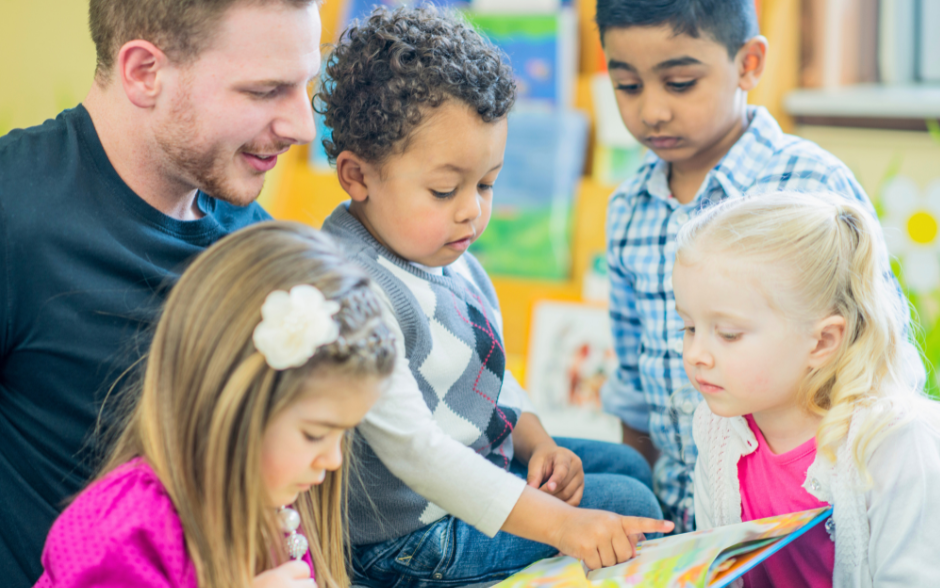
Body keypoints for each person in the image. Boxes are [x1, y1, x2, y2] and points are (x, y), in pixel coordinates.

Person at [317, 7, 673, 587]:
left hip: (470, 472)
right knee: (630, 503)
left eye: (486, 184)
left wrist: (538, 443)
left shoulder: (442, 251)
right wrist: (561, 526)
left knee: (627, 468)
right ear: (357, 176)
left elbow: (489, 371)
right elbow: (420, 456)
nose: (472, 211)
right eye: (443, 189)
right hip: (406, 536)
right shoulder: (352, 291)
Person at [0, 0, 322, 584]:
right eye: (265, 90)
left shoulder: (256, 249)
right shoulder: (12, 213)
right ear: (145, 72)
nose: (303, 127)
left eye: (305, 87)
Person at [593, 0, 922, 531]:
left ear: (748, 64)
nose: (652, 110)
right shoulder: (627, 208)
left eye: (679, 83)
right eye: (628, 86)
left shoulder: (807, 182)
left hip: (810, 509)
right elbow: (634, 378)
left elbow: (870, 356)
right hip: (689, 509)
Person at [32, 222, 396, 588]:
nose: (334, 460)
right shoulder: (122, 532)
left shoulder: (277, 501)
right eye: (315, 434)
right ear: (234, 401)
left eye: (344, 433)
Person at [674, 193, 940, 587]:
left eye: (728, 334)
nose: (696, 354)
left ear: (822, 342)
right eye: (689, 327)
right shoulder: (717, 429)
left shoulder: (893, 443)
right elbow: (717, 569)